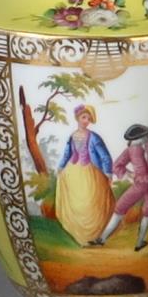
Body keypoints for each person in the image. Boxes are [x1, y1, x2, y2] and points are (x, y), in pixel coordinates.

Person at [99, 124, 148, 250]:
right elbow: (116, 166)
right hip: (146, 182)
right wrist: (129, 174)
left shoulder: (141, 148)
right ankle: (106, 239)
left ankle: (134, 242)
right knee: (126, 207)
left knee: (142, 210)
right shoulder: (139, 149)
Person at [53, 105, 115, 246]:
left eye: (88, 118)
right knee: (76, 204)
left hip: (90, 173)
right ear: (78, 118)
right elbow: (67, 153)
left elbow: (105, 156)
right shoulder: (72, 136)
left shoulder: (94, 137)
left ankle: (93, 236)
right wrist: (61, 167)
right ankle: (80, 238)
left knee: (90, 202)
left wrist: (108, 172)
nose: (86, 121)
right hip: (73, 172)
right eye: (84, 117)